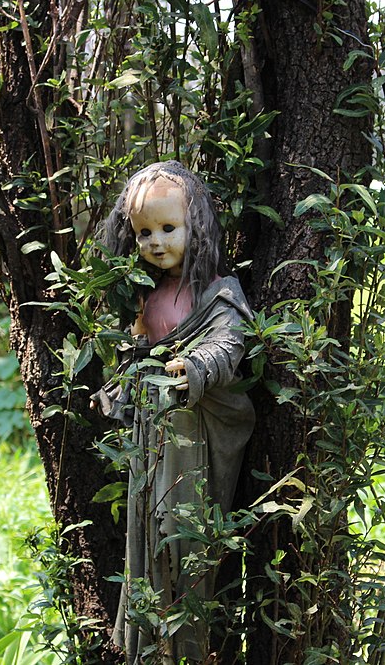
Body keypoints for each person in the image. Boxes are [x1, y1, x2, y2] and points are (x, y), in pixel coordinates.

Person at [92, 160, 255, 663]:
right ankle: (151, 643)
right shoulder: (148, 297)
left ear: (197, 227)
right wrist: (121, 382)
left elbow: (231, 342)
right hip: (154, 441)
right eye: (144, 232)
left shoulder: (216, 293)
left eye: (168, 228)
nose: (155, 242)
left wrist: (198, 365)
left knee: (184, 534)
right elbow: (137, 356)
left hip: (196, 438)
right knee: (150, 532)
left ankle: (187, 644)